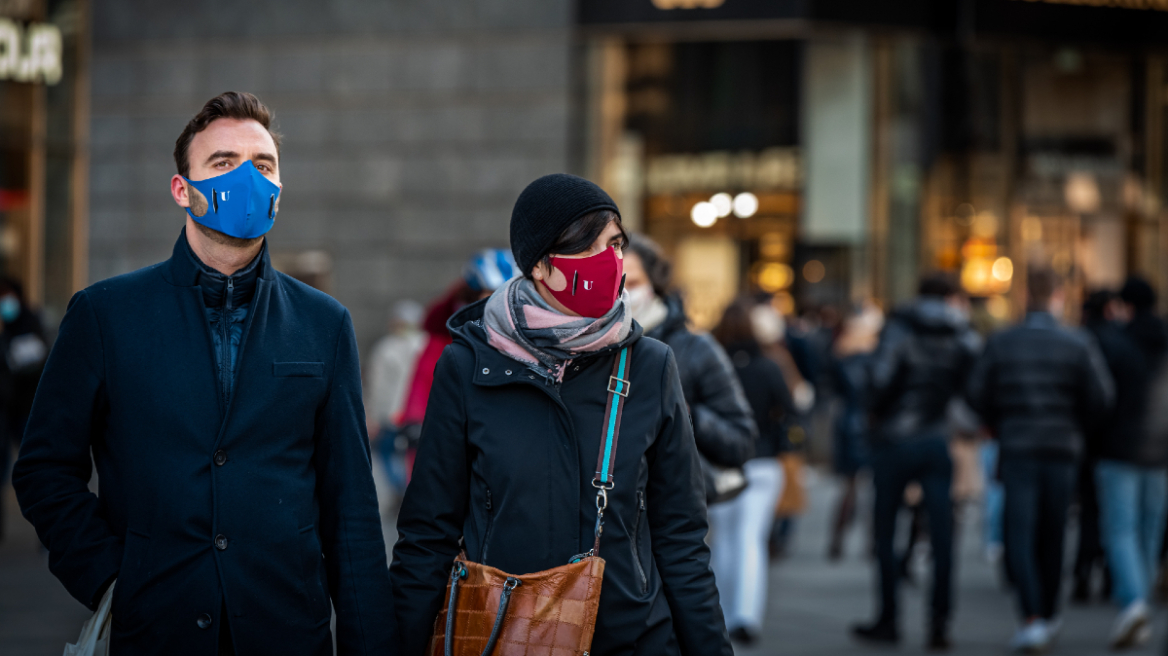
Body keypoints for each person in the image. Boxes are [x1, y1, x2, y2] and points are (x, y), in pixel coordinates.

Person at [12, 92, 394, 655]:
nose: (247, 178)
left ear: (280, 193)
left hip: (286, 631)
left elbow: (351, 508)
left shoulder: (324, 323)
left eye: (263, 165)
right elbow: (44, 468)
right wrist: (112, 577)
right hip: (155, 630)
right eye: (222, 162)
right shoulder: (105, 315)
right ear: (181, 188)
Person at [390, 174, 731, 656]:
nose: (611, 262)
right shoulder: (468, 364)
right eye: (590, 248)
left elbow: (681, 538)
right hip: (504, 636)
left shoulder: (651, 365)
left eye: (616, 244)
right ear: (541, 266)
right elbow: (428, 534)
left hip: (634, 639)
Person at [967, 269, 1114, 653]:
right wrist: (1074, 425)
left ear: (1025, 295)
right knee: (1053, 532)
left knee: (1020, 532)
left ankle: (1033, 615)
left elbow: (976, 393)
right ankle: (1046, 613)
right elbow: (1101, 397)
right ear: (1059, 296)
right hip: (1062, 448)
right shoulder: (1077, 343)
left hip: (1017, 446)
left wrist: (1001, 422)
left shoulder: (1003, 343)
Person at [852, 273, 980, 650]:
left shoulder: (899, 329)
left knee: (886, 531)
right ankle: (939, 623)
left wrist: (875, 413)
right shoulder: (962, 335)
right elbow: (974, 391)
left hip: (894, 441)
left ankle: (888, 619)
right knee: (942, 536)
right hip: (937, 440)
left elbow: (878, 380)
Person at [624, 235, 756, 504]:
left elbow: (741, 442)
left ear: (655, 284)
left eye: (633, 283)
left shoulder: (696, 348)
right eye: (614, 283)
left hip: (671, 510)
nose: (624, 294)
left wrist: (684, 413)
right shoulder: (587, 346)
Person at [710, 297, 794, 646]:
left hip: (719, 463)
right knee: (750, 540)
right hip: (762, 461)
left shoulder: (712, 364)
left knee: (722, 540)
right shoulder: (769, 366)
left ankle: (723, 614)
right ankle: (746, 615)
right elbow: (789, 410)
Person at [394, 248, 516, 482]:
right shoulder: (443, 339)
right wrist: (417, 423)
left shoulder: (522, 334)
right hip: (453, 449)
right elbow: (423, 384)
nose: (494, 301)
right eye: (487, 293)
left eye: (503, 293)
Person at [1093, 277, 1168, 649]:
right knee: (1150, 529)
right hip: (1162, 451)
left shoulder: (1115, 342)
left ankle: (1135, 602)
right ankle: (1141, 602)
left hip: (1120, 448)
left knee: (1121, 529)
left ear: (1125, 305)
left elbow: (1101, 397)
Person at [827, 302, 883, 560]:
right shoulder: (876, 356)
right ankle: (872, 542)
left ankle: (838, 540)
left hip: (848, 422)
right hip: (868, 423)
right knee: (872, 489)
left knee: (850, 487)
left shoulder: (842, 353)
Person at [0, 277, 47, 542]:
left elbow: (36, 360)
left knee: (36, 469)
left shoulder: (30, 323)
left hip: (27, 410)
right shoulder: (6, 330)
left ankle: (48, 534)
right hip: (6, 411)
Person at [366, 299, 425, 500]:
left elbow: (378, 385)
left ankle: (402, 490)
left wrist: (373, 415)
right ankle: (413, 490)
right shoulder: (426, 345)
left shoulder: (385, 348)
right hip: (421, 412)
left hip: (392, 413)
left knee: (387, 453)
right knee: (415, 455)